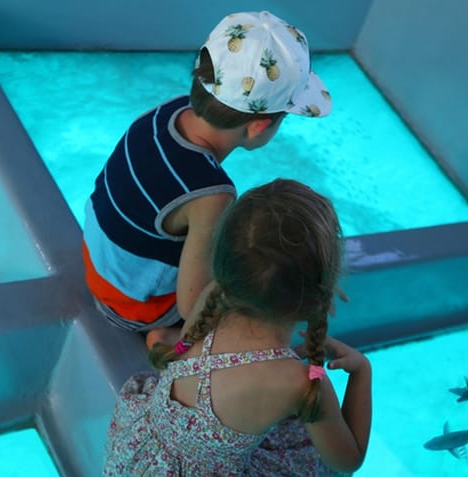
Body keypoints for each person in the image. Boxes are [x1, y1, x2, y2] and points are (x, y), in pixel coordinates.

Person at [81, 11, 333, 347]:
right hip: (134, 309)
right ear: (259, 126)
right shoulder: (211, 194)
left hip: (98, 268)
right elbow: (192, 305)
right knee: (260, 311)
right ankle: (168, 339)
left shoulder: (167, 111)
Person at [104, 179, 372, 475]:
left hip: (141, 459)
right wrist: (362, 370)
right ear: (321, 295)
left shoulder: (210, 300)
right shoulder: (303, 382)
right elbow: (347, 461)